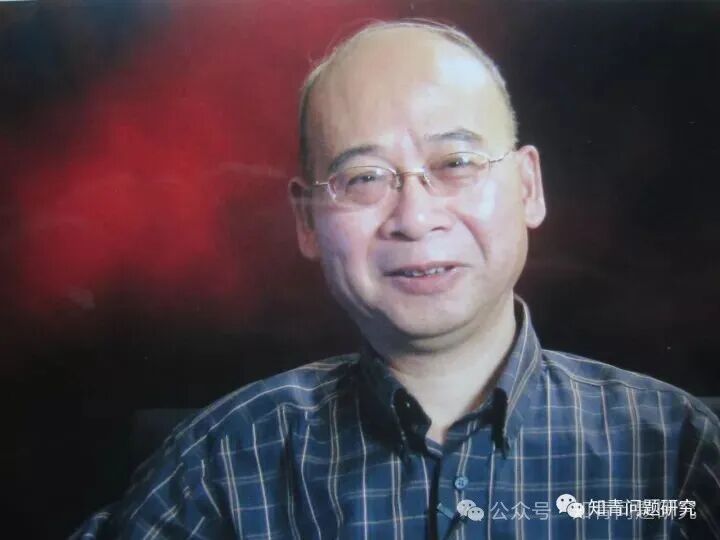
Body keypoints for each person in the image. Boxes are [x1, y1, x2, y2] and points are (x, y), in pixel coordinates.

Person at [72, 19, 719, 540]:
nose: (414, 218)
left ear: (528, 186)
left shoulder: (677, 454)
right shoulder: (224, 465)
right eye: (363, 178)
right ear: (307, 220)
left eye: (456, 162)